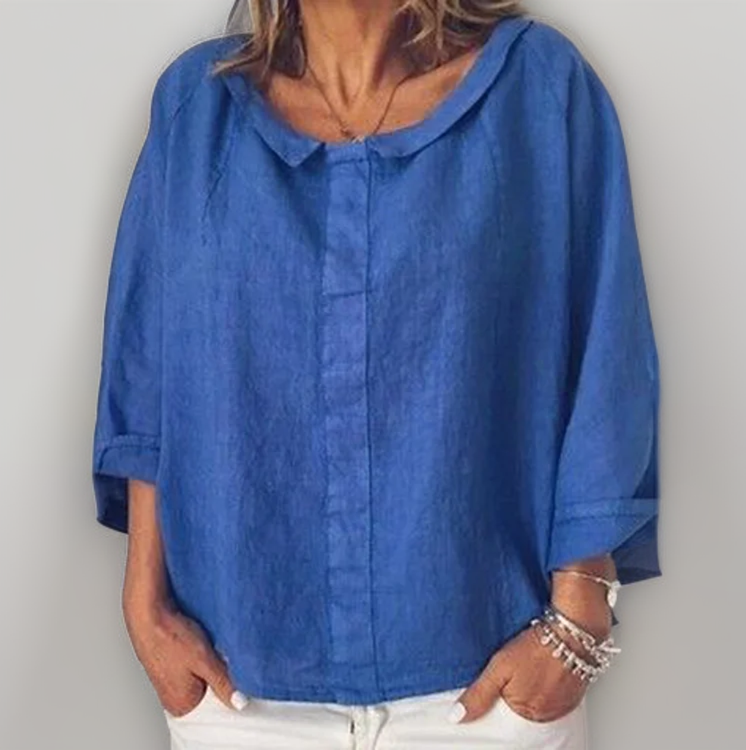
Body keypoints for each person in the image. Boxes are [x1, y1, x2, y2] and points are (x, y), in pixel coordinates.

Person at [91, 1, 661, 747]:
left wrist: (580, 613)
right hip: (236, 690)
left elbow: (607, 350)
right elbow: (146, 368)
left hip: (488, 690)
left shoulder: (539, 89)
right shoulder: (195, 110)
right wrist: (144, 606)